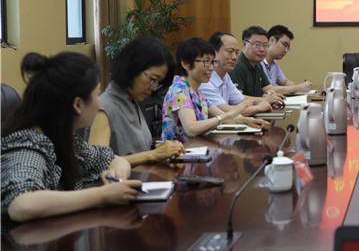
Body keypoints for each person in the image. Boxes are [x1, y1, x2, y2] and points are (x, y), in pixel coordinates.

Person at [1, 52, 141, 223]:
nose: (100, 102)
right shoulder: (29, 144)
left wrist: (117, 173)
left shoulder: (61, 134)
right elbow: (22, 206)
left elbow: (112, 159)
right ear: (78, 104)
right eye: (97, 94)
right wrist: (103, 195)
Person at [88, 37, 186, 166]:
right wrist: (152, 155)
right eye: (153, 79)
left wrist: (159, 148)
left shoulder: (132, 101)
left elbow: (139, 149)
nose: (154, 87)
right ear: (133, 67)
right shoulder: (104, 108)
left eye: (158, 82)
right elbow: (97, 164)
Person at [161, 38, 269, 142]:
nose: (211, 68)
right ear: (186, 64)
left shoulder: (196, 92)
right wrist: (232, 113)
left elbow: (223, 117)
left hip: (198, 148)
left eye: (212, 62)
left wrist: (247, 121)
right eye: (206, 62)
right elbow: (191, 129)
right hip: (180, 152)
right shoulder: (179, 90)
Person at [199, 31, 281, 116]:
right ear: (213, 52)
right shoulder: (205, 82)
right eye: (230, 51)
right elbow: (227, 112)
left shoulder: (225, 76)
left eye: (236, 52)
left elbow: (242, 101)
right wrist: (259, 107)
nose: (234, 57)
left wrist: (266, 100)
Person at [260, 24, 313, 95]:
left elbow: (285, 82)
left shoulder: (274, 63)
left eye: (287, 48)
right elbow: (266, 89)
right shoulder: (257, 61)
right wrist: (298, 88)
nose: (286, 51)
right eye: (284, 45)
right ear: (271, 40)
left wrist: (298, 87)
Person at [229, 26, 275, 98]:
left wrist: (270, 95)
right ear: (244, 44)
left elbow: (268, 88)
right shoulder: (236, 65)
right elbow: (237, 98)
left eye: (265, 45)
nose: (262, 49)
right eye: (257, 45)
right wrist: (263, 99)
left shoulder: (258, 65)